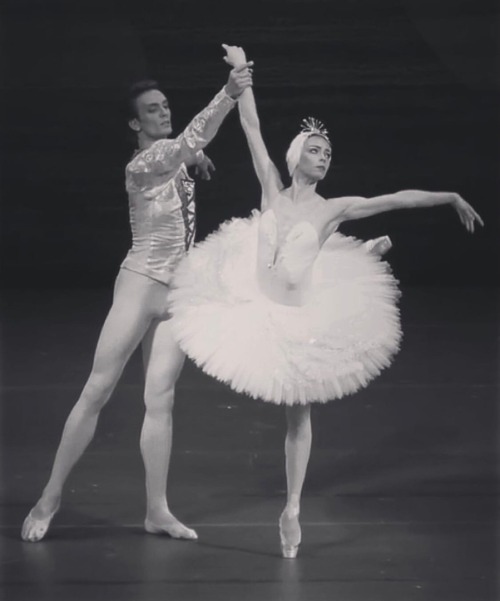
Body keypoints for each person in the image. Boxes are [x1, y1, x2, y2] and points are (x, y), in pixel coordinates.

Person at [166, 45, 484, 558]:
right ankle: (370, 251)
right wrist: (239, 68)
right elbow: (250, 125)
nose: (324, 155)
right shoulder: (270, 183)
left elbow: (395, 199)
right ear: (297, 157)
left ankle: (292, 507)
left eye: (328, 153)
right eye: (315, 149)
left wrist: (447, 196)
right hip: (253, 300)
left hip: (297, 313)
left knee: (298, 413)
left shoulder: (333, 208)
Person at [20, 56, 254, 543]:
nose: (162, 112)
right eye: (152, 110)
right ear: (135, 123)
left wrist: (196, 160)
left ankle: (156, 510)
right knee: (98, 389)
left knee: (160, 399)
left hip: (178, 292)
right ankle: (50, 496)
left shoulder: (173, 154)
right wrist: (228, 93)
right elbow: (185, 145)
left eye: (165, 105)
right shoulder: (140, 164)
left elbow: (187, 152)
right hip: (140, 283)